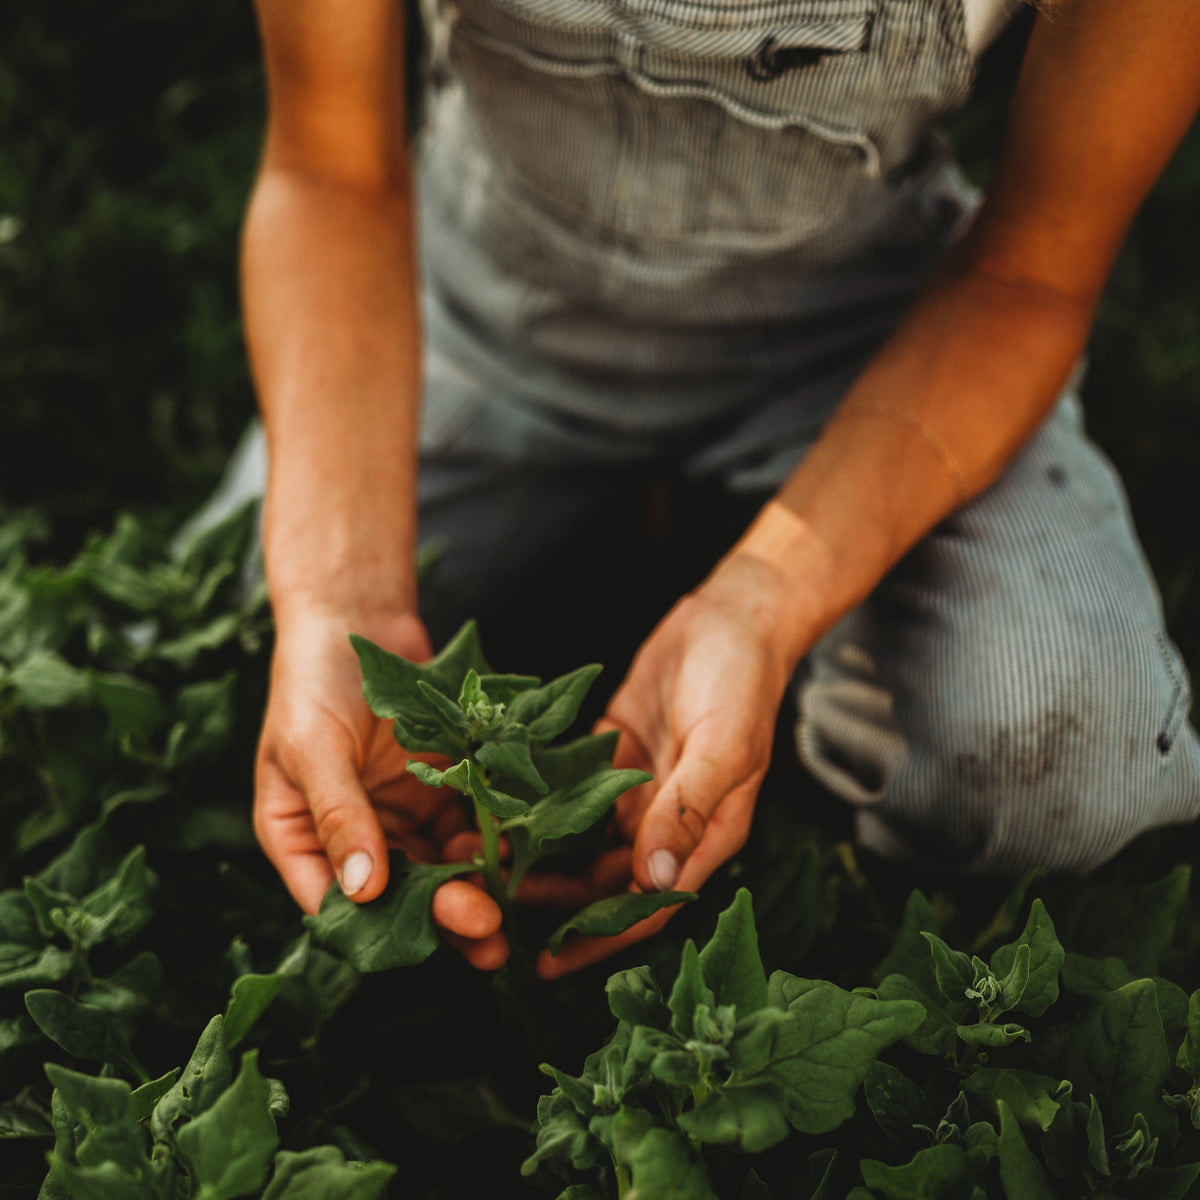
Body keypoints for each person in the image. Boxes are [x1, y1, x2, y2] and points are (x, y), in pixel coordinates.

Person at [236, 0, 1200, 977]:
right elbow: (329, 166)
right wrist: (337, 595)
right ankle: (667, 534)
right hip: (482, 318)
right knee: (259, 639)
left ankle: (759, 579)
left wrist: (766, 601)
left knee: (1051, 750)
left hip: (870, 351)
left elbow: (1031, 270)